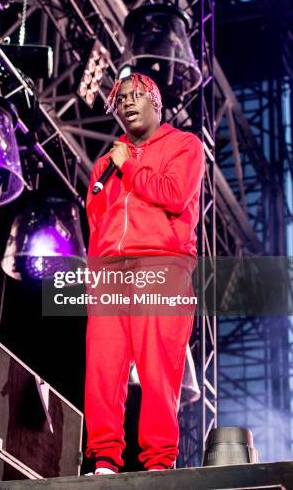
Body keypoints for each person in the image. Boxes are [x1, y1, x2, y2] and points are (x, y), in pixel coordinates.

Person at [85, 72, 205, 475]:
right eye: (121, 100)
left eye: (137, 96)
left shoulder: (184, 145)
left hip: (162, 265)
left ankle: (158, 462)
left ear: (157, 103)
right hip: (111, 275)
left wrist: (132, 165)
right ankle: (104, 459)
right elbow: (97, 224)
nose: (128, 104)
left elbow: (174, 194)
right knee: (102, 368)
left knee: (157, 369)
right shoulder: (105, 163)